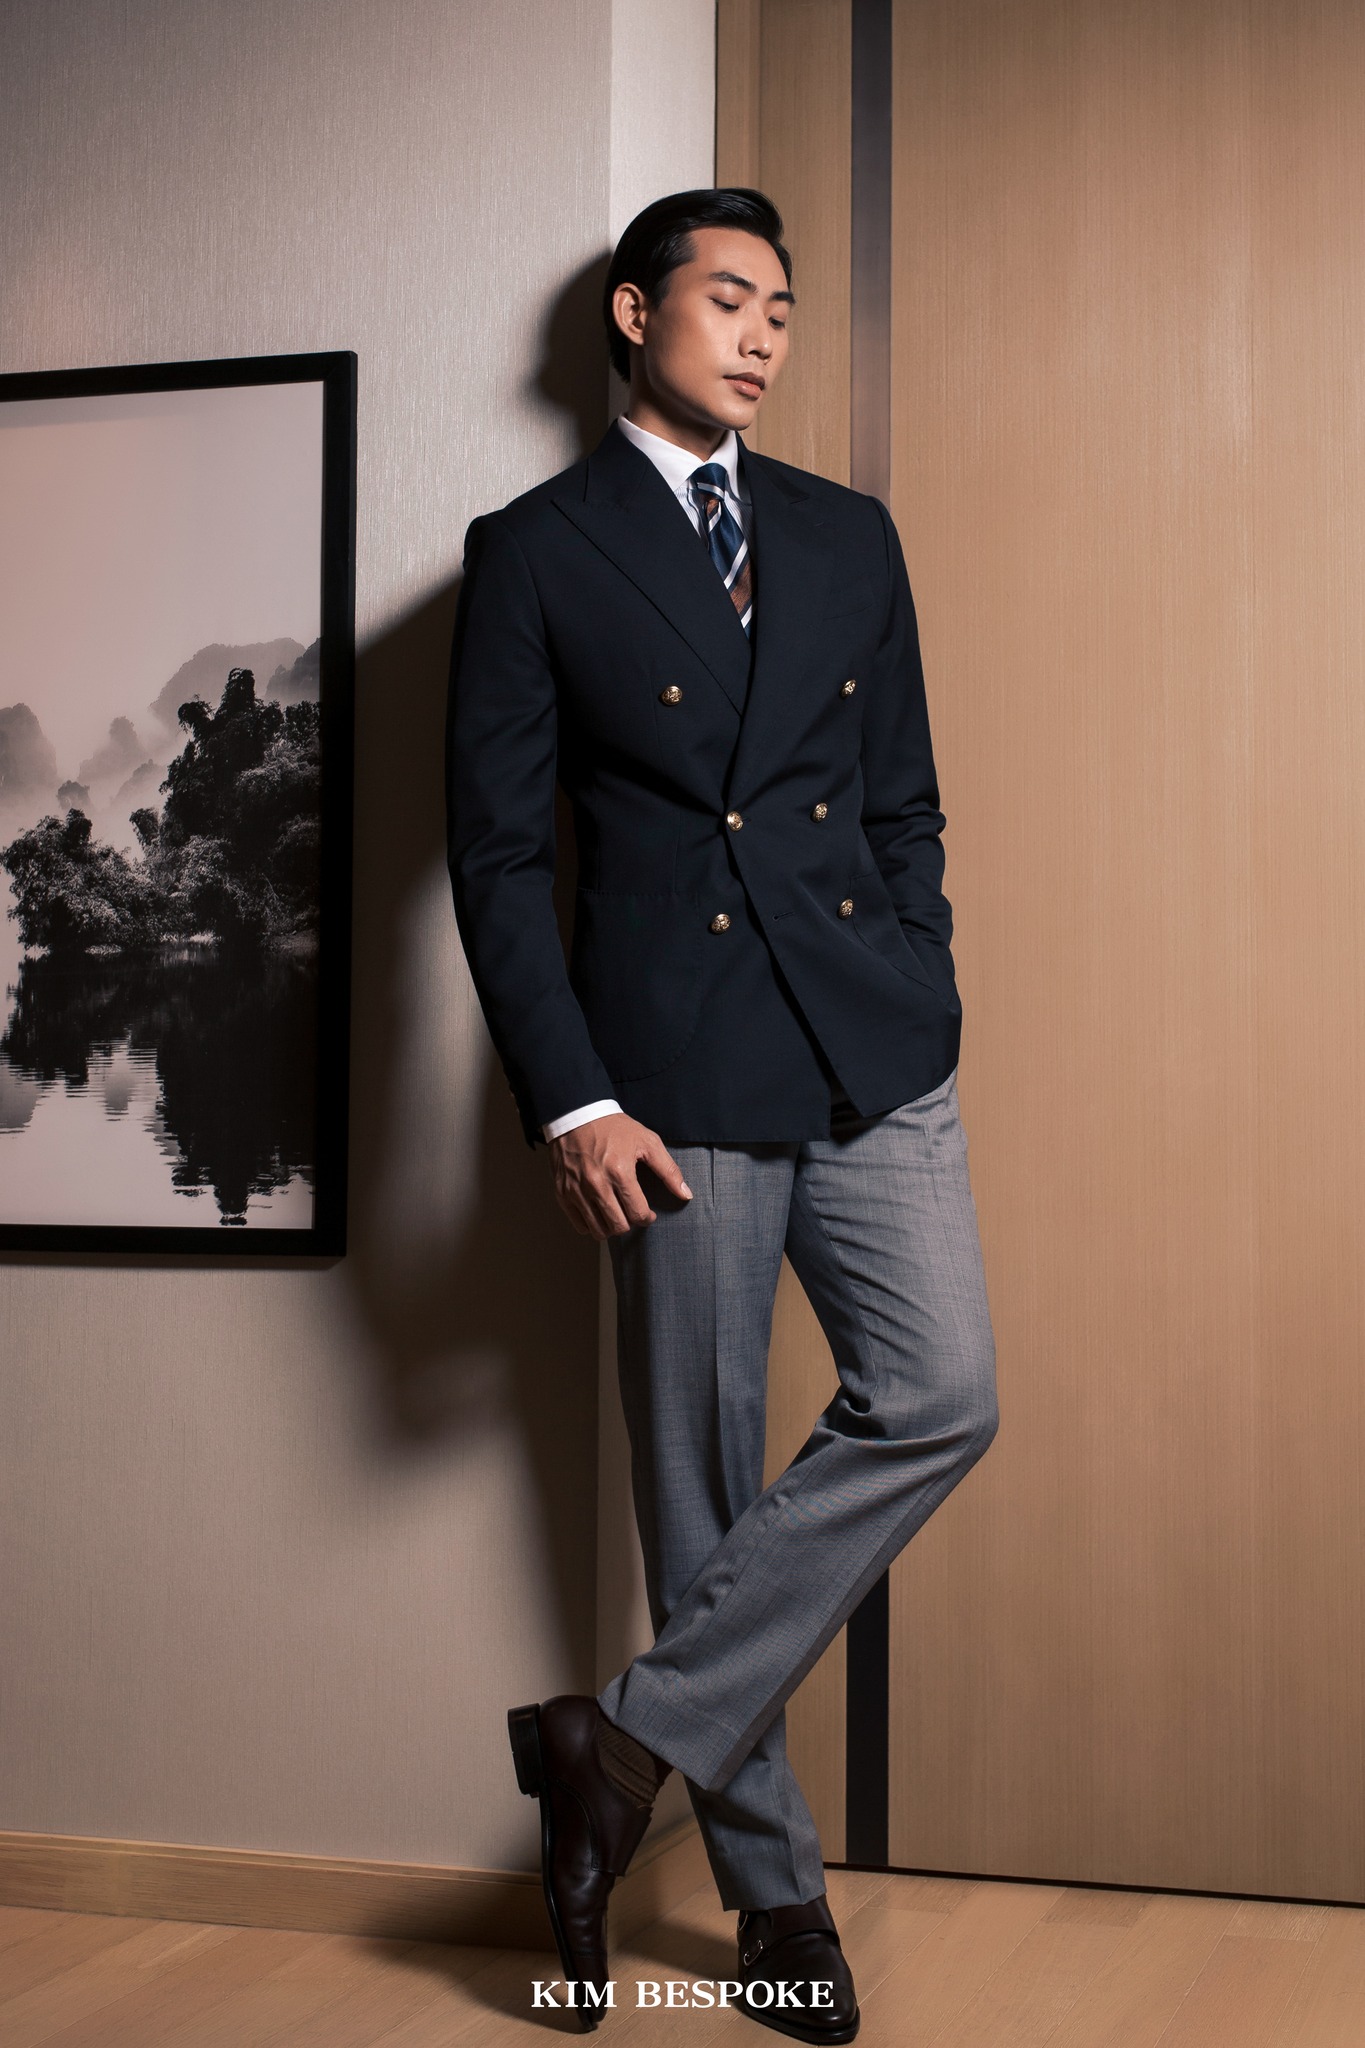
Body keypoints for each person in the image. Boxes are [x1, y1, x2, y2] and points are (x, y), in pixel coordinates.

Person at [446, 187, 998, 2042]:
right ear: (634, 312)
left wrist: (921, 974)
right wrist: (573, 1099)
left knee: (941, 1392)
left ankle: (612, 1744)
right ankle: (777, 1909)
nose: (762, 335)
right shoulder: (535, 550)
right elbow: (496, 859)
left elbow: (903, 797)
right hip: (666, 1075)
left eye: (782, 310)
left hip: (868, 1047)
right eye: (728, 299)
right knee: (701, 1479)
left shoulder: (845, 532)